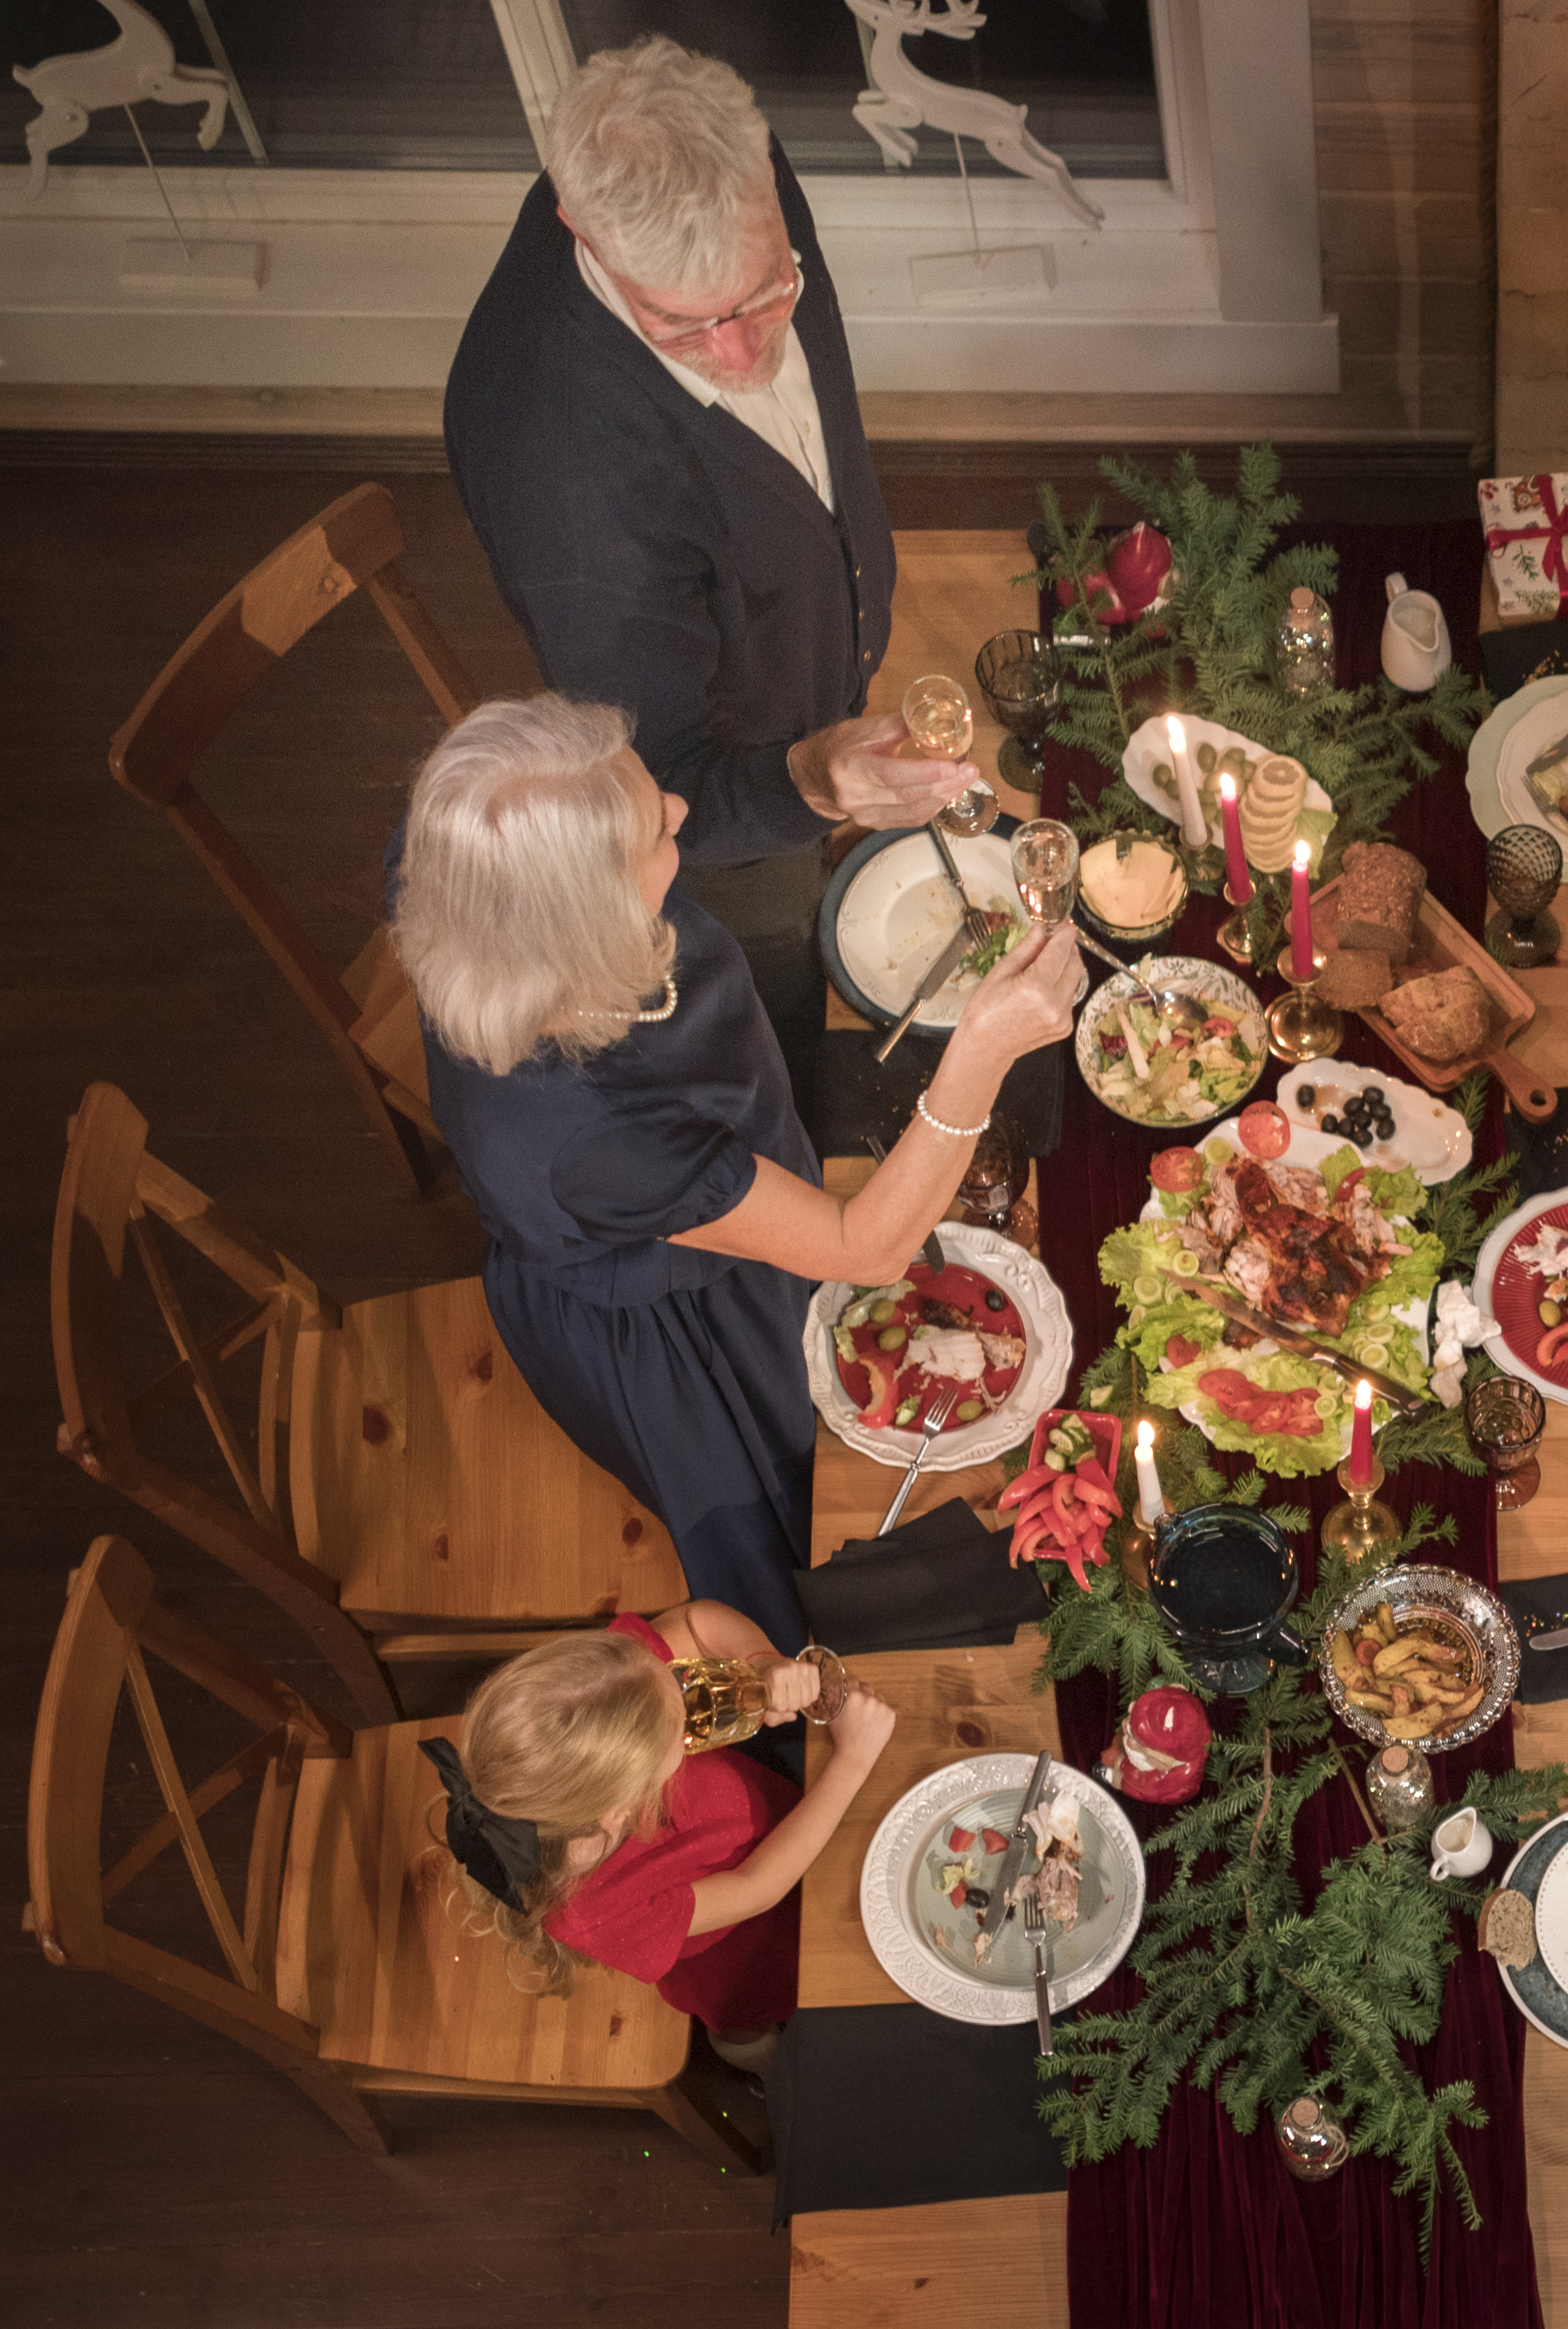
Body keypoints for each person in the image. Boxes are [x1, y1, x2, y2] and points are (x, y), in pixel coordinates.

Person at [394, 694, 1082, 1652]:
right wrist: (981, 1055)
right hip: (681, 1320)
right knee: (801, 1508)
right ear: (589, 921)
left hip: (713, 1181)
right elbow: (866, 1245)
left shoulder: (478, 838)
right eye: (653, 832)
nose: (678, 808)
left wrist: (814, 776)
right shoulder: (587, 1132)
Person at [444, 36, 966, 1115]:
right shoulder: (568, 481)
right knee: (766, 1011)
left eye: (765, 293)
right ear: (581, 230)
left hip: (799, 690)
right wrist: (814, 782)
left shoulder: (732, 180)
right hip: (725, 822)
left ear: (764, 171)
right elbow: (668, 779)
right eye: (682, 325)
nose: (742, 358)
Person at [425, 1603, 899, 2072]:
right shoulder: (590, 1916)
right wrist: (852, 1761)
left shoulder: (610, 1689)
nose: (691, 1690)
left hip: (777, 1821)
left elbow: (696, 1621)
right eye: (681, 1722)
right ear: (626, 1804)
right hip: (738, 1940)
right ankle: (754, 2058)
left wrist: (761, 1663)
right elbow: (754, 1886)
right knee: (758, 2003)